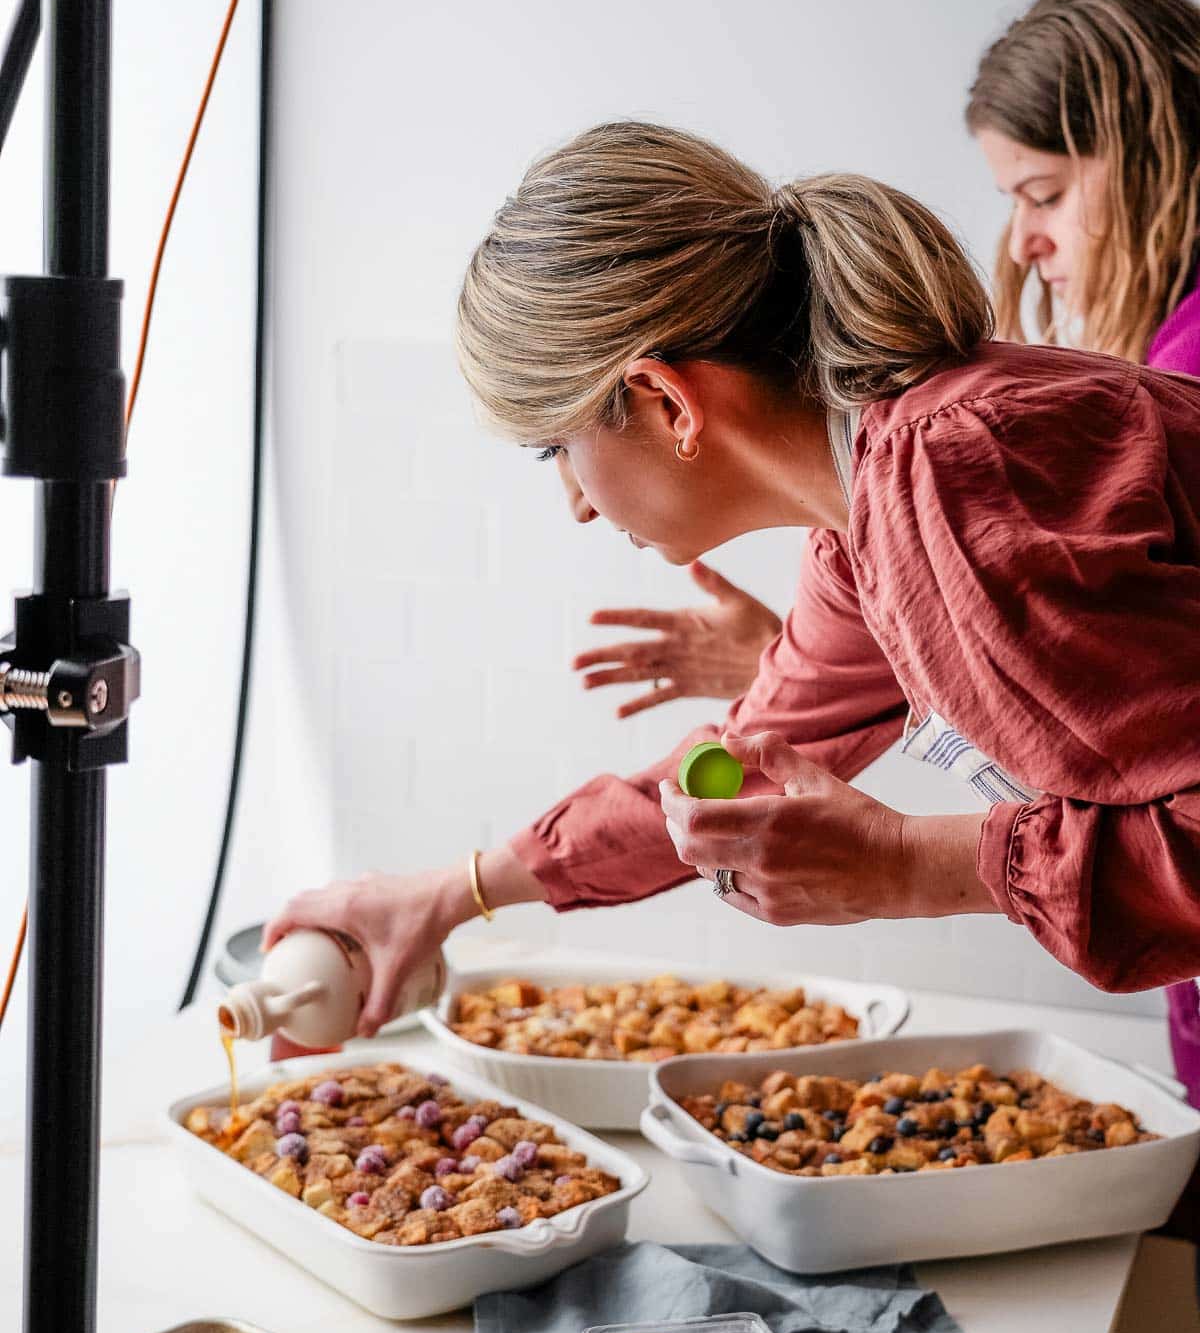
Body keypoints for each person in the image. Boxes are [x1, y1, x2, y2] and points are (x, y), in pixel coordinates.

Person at [266, 116, 1200, 1043]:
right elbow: (728, 768)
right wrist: (447, 897)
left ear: (666, 400)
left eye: (560, 448)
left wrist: (908, 866)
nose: (578, 506)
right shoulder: (864, 526)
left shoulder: (961, 472)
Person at [572, 0, 1200, 728]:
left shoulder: (948, 454)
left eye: (1045, 193)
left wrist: (890, 844)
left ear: (1157, 165)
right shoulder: (877, 502)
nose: (1026, 244)